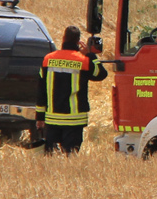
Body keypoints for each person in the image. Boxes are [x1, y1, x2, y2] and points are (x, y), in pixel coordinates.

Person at [41, 25, 108, 154]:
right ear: (78, 41)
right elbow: (101, 74)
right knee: (70, 155)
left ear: (63, 38)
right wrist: (90, 54)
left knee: (51, 157)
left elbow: (41, 89)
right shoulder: (83, 61)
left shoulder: (48, 59)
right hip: (74, 120)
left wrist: (39, 117)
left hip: (52, 119)